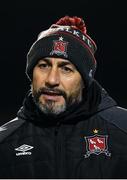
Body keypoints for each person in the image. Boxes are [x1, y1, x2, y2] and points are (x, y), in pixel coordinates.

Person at [0, 15, 127, 179]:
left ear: (85, 80)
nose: (52, 80)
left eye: (66, 68)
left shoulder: (123, 131)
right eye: (43, 65)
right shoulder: (4, 142)